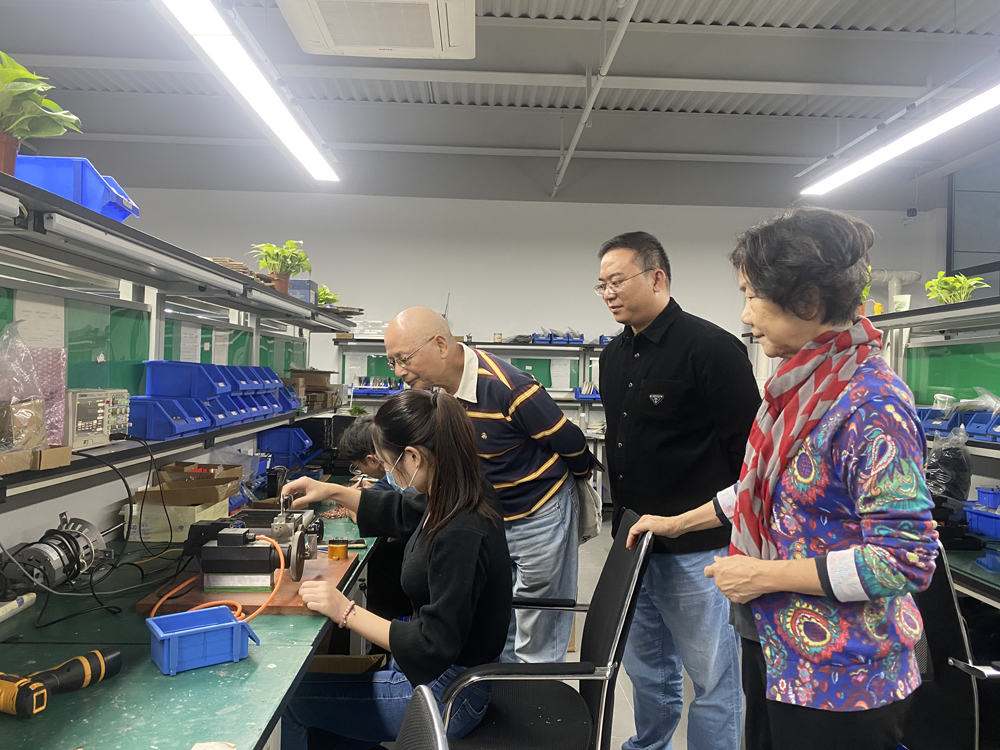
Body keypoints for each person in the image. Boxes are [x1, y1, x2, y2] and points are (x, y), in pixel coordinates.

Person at [627, 207, 939, 750]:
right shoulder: (804, 387)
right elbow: (766, 488)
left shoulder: (870, 404)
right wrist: (677, 523)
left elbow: (904, 559)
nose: (745, 314)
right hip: (777, 650)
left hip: (842, 678)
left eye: (752, 296)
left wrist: (763, 576)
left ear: (808, 302)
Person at [597, 231, 761, 750]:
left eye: (617, 280)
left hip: (699, 550)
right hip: (634, 544)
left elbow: (750, 457)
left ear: (657, 277)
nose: (608, 293)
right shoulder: (613, 356)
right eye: (601, 285)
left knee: (714, 677)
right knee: (646, 670)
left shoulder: (712, 349)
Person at [280, 390, 512, 749]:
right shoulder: (458, 491)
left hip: (449, 696)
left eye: (389, 465)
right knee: (325, 717)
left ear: (414, 456)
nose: (388, 473)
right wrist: (330, 491)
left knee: (291, 703)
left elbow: (431, 646)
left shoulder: (462, 531)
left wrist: (344, 610)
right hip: (434, 675)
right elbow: (403, 511)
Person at [383, 307, 593, 663]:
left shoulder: (508, 387)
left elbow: (569, 441)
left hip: (539, 512)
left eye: (404, 359)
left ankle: (534, 695)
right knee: (501, 617)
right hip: (493, 518)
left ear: (440, 345)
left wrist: (572, 482)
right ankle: (504, 689)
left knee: (537, 625)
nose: (400, 371)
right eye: (393, 362)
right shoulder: (438, 394)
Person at [337, 415, 411, 629]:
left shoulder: (397, 476)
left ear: (372, 460)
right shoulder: (392, 477)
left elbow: (362, 512)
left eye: (357, 466)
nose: (360, 472)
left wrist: (349, 500)